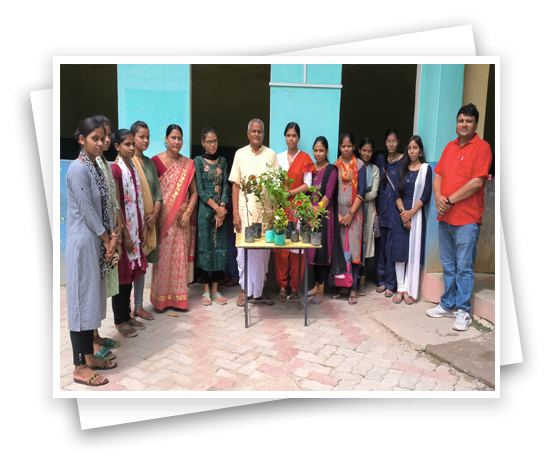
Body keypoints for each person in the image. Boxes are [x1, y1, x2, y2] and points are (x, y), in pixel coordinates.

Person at [426, 104, 492, 331]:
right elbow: (438, 175)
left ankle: (463, 310)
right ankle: (447, 304)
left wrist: (449, 199)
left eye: (469, 121)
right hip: (445, 217)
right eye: (461, 120)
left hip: (467, 219)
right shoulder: (450, 147)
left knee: (464, 267)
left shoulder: (482, 148)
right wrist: (438, 198)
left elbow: (477, 182)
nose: (464, 124)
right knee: (448, 265)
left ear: (476, 124)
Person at [66, 117, 118, 386]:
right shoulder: (78, 169)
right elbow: (87, 210)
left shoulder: (95, 166)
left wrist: (110, 236)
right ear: (81, 140)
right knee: (80, 304)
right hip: (83, 244)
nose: (100, 143)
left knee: (90, 302)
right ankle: (79, 367)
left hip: (95, 242)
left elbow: (104, 206)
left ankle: (89, 357)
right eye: (94, 138)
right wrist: (107, 239)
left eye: (101, 138)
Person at [229, 118, 278, 306]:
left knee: (262, 256)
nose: (256, 134)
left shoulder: (270, 154)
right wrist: (235, 213)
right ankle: (245, 291)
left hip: (265, 214)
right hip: (245, 215)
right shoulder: (240, 154)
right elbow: (235, 185)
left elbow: (275, 185)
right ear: (248, 134)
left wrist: (274, 211)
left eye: (259, 131)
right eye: (253, 131)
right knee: (243, 255)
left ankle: (259, 291)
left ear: (263, 134)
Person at [150, 124, 198, 312]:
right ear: (166, 139)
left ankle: (178, 300)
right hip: (163, 220)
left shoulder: (188, 165)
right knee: (162, 261)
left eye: (179, 138)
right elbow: (152, 192)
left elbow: (194, 193)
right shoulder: (156, 162)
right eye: (173, 138)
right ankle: (160, 301)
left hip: (181, 222)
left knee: (179, 261)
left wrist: (188, 213)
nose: (176, 142)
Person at [110, 129, 148, 337]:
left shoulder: (133, 167)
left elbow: (137, 201)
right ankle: (120, 321)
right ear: (117, 147)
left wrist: (141, 229)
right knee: (122, 279)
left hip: (134, 230)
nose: (132, 147)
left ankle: (127, 315)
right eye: (127, 144)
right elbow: (117, 204)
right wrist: (125, 235)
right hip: (124, 232)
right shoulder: (116, 170)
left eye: (133, 143)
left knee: (130, 277)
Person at [91, 115, 122, 355]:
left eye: (108, 136)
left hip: (109, 235)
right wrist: (107, 236)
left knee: (102, 289)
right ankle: (91, 342)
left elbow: (112, 199)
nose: (106, 140)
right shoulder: (89, 165)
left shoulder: (103, 161)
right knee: (93, 290)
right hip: (97, 237)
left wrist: (117, 227)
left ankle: (96, 335)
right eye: (101, 136)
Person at [274, 122, 315, 301]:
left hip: (298, 208)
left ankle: (295, 288)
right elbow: (275, 184)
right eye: (288, 135)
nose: (291, 138)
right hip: (282, 208)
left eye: (294, 136)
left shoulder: (305, 158)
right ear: (285, 137)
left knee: (297, 250)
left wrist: (290, 193)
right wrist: (276, 206)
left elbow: (308, 185)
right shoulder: (278, 158)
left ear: (299, 138)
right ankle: (282, 287)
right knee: (281, 249)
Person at [392, 135, 432, 305]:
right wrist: (403, 214)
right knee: (400, 253)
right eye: (409, 148)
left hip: (417, 216)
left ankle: (408, 288)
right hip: (400, 215)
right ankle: (400, 288)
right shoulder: (403, 168)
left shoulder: (425, 169)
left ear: (420, 150)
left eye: (415, 147)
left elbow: (426, 195)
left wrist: (411, 214)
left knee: (412, 253)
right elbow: (397, 194)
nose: (412, 151)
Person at [306, 136, 345, 305]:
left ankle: (321, 291)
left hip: (324, 217)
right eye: (315, 150)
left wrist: (315, 214)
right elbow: (306, 192)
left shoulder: (332, 170)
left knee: (322, 253)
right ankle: (315, 286)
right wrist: (309, 211)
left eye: (321, 150)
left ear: (327, 151)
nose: (318, 153)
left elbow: (328, 195)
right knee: (313, 253)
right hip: (311, 216)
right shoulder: (310, 169)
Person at [130, 120, 162, 321]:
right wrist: (139, 221)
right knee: (130, 266)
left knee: (141, 265)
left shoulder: (149, 163)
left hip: (149, 222)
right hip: (133, 224)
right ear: (132, 137)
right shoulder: (126, 162)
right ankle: (126, 310)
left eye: (148, 137)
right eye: (141, 137)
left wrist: (154, 215)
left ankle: (139, 306)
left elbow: (157, 193)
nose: (146, 141)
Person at [194, 127, 228, 306]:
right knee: (205, 249)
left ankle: (215, 290)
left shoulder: (222, 161)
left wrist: (222, 208)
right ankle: (206, 290)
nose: (213, 144)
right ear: (203, 143)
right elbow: (200, 190)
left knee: (219, 250)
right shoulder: (198, 161)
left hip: (220, 213)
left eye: (215, 141)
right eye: (209, 141)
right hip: (205, 213)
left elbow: (225, 186)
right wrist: (216, 208)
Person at [332, 132, 366, 305]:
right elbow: (331, 192)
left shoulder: (360, 165)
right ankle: (342, 287)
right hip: (338, 214)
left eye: (349, 146)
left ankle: (352, 288)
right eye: (343, 146)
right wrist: (338, 215)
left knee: (353, 250)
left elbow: (362, 191)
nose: (346, 149)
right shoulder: (335, 166)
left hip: (355, 214)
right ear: (340, 147)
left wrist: (351, 214)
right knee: (340, 250)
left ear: (353, 147)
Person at [375, 128, 403, 298]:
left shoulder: (404, 160)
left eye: (394, 141)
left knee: (391, 248)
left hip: (394, 210)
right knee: (380, 247)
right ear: (385, 143)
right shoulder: (380, 159)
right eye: (388, 141)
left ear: (398, 142)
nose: (391, 144)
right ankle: (381, 280)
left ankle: (391, 283)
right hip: (381, 208)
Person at [357, 137, 380, 296]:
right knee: (354, 244)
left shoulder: (375, 169)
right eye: (364, 150)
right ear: (359, 150)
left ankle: (362, 280)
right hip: (354, 211)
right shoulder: (354, 165)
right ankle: (351, 279)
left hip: (368, 211)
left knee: (365, 245)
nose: (366, 153)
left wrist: (358, 198)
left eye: (369, 151)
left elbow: (373, 193)